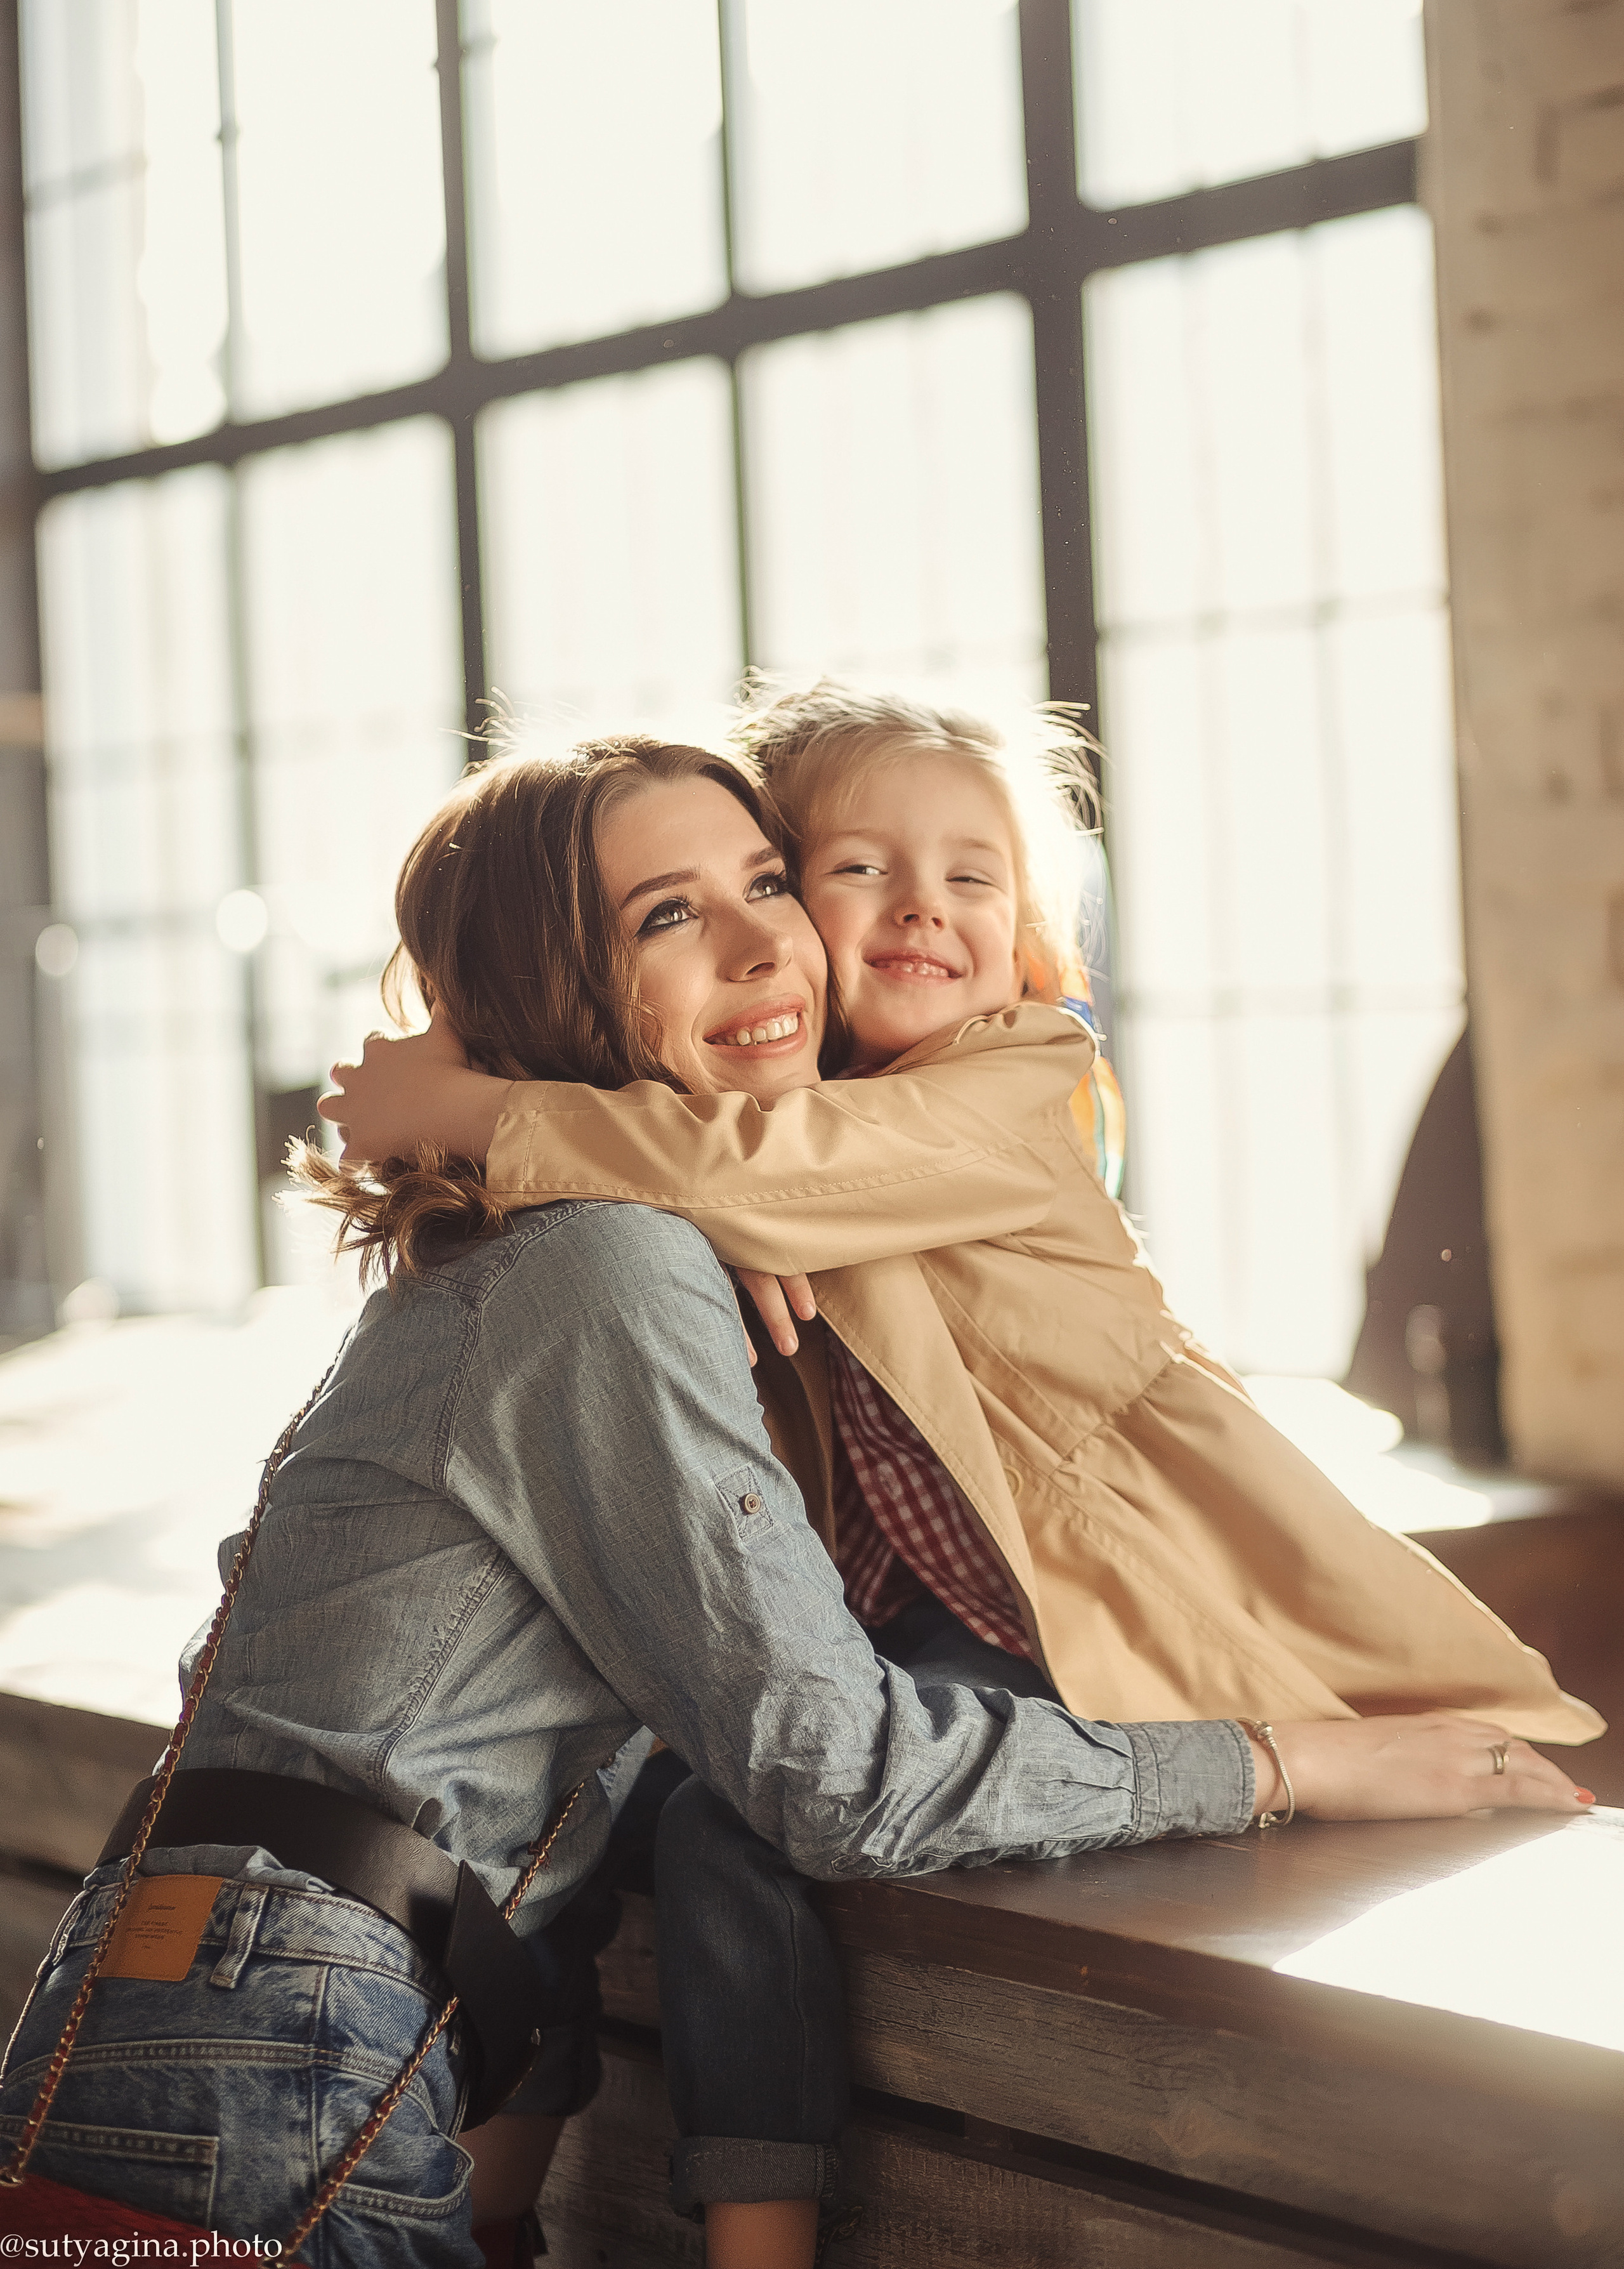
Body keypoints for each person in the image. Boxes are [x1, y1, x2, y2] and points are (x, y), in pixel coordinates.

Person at [308, 728, 1596, 2269]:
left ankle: (759, 2240)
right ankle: (498, 2204)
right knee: (585, 1809)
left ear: (1029, 942)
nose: (919, 907)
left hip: (1091, 1635)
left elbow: (767, 1172)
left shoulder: (1006, 1080)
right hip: (914, 1632)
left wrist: (462, 1107)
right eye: (852, 871)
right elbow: (737, 1171)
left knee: (736, 1830)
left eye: (968, 876)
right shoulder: (747, 1144)